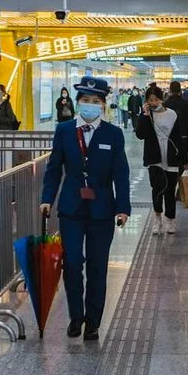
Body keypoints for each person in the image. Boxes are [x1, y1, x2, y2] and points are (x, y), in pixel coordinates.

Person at [39, 77, 131, 341]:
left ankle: (93, 321)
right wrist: (47, 197)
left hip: (102, 209)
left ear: (103, 104)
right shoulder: (65, 130)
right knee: (72, 262)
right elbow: (54, 167)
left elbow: (120, 173)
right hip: (71, 207)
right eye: (85, 101)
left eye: (95, 101)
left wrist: (123, 207)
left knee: (97, 265)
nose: (90, 105)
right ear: (78, 102)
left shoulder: (113, 134)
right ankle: (75, 317)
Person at [135, 85, 184, 235]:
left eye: (156, 99)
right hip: (154, 158)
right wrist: (144, 115)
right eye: (150, 100)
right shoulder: (146, 116)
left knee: (170, 190)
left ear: (162, 99)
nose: (153, 102)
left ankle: (170, 220)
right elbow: (140, 135)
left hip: (170, 158)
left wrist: (183, 158)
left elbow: (179, 138)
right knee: (156, 189)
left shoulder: (172, 114)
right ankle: (157, 220)